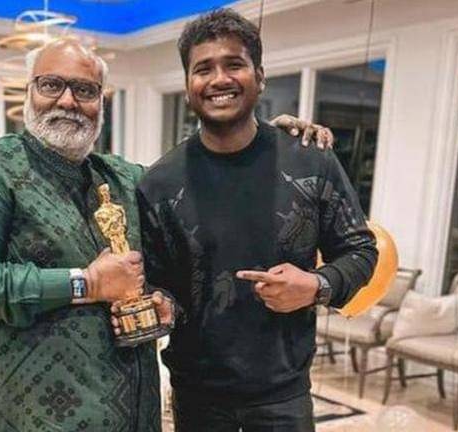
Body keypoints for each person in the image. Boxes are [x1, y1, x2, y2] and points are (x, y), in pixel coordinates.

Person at [0, 36, 331, 431]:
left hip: (136, 417)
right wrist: (85, 283)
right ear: (29, 91)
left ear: (101, 102)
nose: (67, 101)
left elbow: (203, 187)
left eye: (85, 90)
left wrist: (262, 142)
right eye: (51, 85)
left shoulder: (126, 179)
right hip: (31, 419)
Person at [130, 9, 379, 432]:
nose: (219, 79)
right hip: (197, 397)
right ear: (188, 86)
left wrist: (315, 286)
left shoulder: (310, 160)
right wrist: (157, 303)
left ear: (259, 77)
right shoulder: (158, 183)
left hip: (284, 397)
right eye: (203, 69)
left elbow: (361, 250)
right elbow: (158, 283)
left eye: (234, 64)